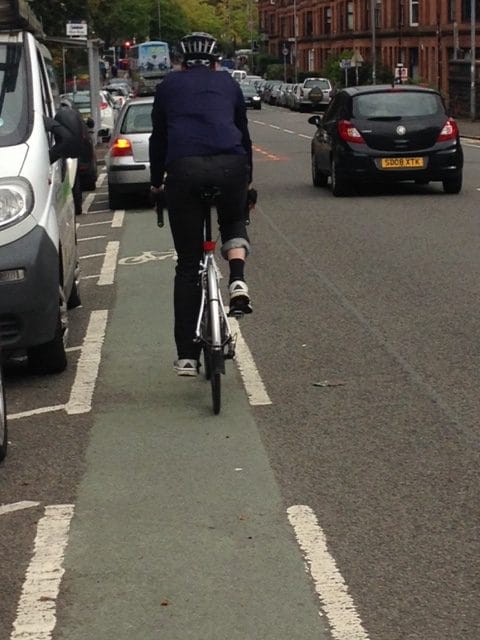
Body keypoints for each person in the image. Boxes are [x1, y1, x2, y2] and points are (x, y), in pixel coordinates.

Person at [149, 32, 254, 377]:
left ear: (180, 61)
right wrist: (246, 178)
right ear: (214, 61)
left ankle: (187, 357)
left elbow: (159, 138)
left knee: (188, 264)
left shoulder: (167, 87)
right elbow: (243, 131)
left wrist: (156, 182)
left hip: (184, 170)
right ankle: (237, 280)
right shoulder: (228, 83)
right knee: (234, 219)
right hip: (231, 165)